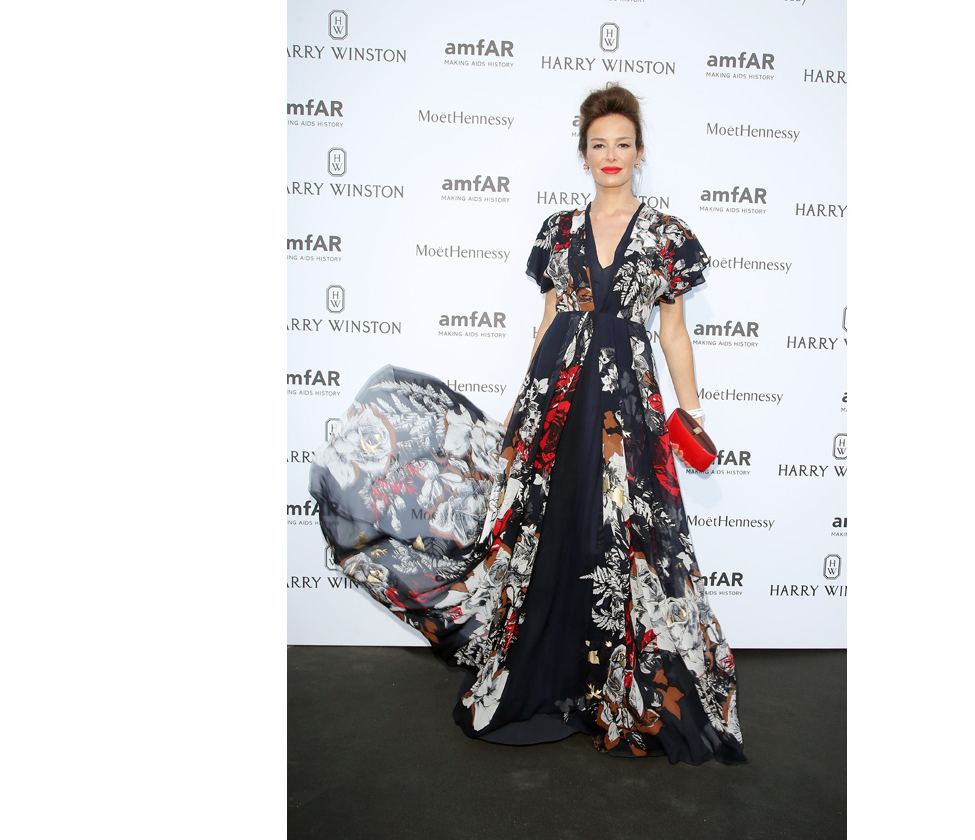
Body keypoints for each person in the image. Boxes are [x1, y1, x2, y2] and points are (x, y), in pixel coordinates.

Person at [309, 83, 746, 765]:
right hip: (558, 398)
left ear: (640, 152)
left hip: (627, 405)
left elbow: (673, 333)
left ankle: (616, 690)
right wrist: (524, 404)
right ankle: (547, 675)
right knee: (551, 530)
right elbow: (547, 323)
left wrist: (691, 412)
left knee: (624, 537)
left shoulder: (668, 236)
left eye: (622, 144)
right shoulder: (559, 231)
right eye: (598, 144)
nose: (610, 155)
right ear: (584, 154)